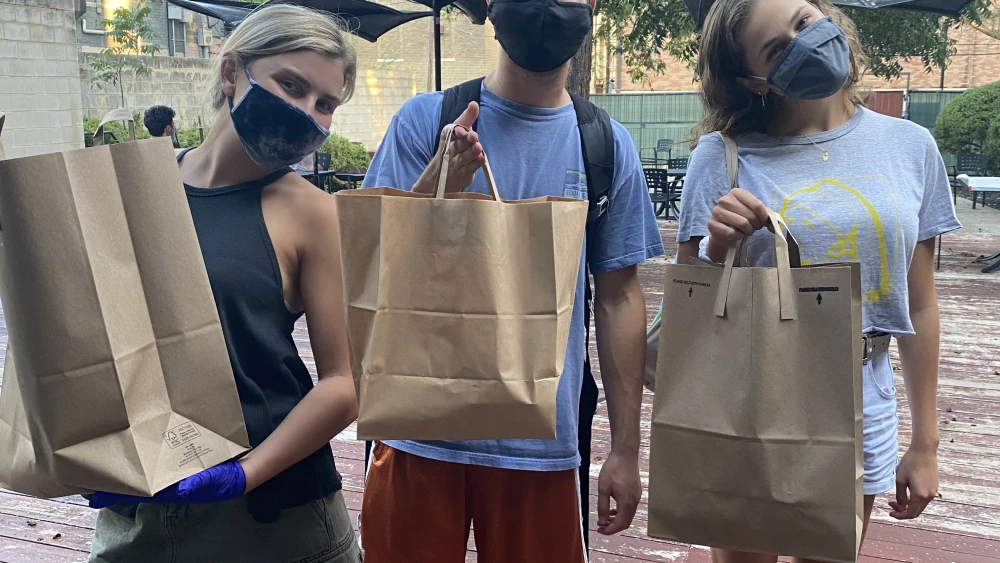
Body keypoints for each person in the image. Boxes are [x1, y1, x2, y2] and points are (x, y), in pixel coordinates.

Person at [358, 0, 664, 561]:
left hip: (543, 444)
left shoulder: (605, 145)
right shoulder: (426, 121)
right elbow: (367, 267)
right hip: (416, 431)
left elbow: (620, 298)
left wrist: (624, 449)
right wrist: (436, 183)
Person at [675, 0, 958, 561]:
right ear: (753, 81)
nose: (805, 40)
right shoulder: (721, 157)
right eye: (777, 47)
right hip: (748, 391)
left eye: (805, 21)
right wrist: (717, 245)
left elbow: (920, 305)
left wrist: (925, 443)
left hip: (861, 386)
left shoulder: (910, 146)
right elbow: (687, 304)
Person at [87, 6, 362, 563]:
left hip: (274, 521)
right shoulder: (131, 186)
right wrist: (81, 447)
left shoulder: (313, 213)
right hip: (136, 515)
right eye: (291, 85)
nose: (306, 112)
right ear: (231, 72)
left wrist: (244, 475)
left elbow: (344, 382)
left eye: (325, 104)